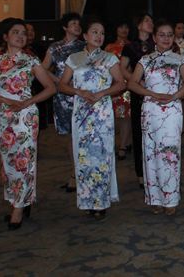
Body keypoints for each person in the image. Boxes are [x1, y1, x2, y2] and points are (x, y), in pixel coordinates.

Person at [0, 18, 56, 230]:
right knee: (8, 160)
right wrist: (3, 99)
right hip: (4, 115)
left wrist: (29, 101)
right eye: (15, 32)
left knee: (25, 159)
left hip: (26, 116)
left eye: (23, 33)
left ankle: (19, 207)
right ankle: (18, 200)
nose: (21, 36)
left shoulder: (30, 60)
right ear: (5, 37)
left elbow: (50, 87)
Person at [59, 18, 125, 220]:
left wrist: (102, 93)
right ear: (85, 36)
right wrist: (79, 92)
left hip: (102, 112)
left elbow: (121, 83)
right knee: (83, 156)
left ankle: (101, 201)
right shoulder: (74, 58)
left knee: (102, 154)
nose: (99, 36)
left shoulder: (109, 58)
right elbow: (62, 85)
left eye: (102, 33)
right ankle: (87, 200)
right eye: (95, 32)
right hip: (81, 112)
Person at [128, 20, 184, 215]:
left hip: (172, 110)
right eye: (162, 35)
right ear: (154, 38)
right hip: (151, 109)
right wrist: (152, 94)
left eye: (170, 35)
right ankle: (154, 198)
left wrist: (174, 96)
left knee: (170, 153)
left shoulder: (179, 59)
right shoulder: (145, 59)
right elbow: (132, 83)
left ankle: (171, 199)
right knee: (150, 152)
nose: (166, 38)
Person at [42, 12, 85, 192]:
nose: (77, 26)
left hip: (82, 94)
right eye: (73, 23)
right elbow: (43, 69)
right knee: (69, 137)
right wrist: (59, 81)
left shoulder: (85, 46)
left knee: (82, 135)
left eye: (79, 24)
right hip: (63, 96)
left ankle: (81, 174)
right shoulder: (55, 47)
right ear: (65, 27)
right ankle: (75, 173)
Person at [120, 13, 155, 189]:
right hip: (139, 93)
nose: (150, 23)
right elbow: (122, 68)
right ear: (139, 25)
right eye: (146, 20)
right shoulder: (130, 47)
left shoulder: (157, 43)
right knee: (139, 132)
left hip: (157, 91)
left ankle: (155, 170)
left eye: (151, 21)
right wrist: (136, 81)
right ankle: (141, 173)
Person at [104, 20, 132, 160]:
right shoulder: (109, 47)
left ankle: (123, 146)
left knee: (126, 116)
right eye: (121, 26)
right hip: (112, 85)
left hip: (129, 84)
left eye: (126, 27)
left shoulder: (133, 46)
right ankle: (119, 143)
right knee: (113, 116)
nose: (124, 30)